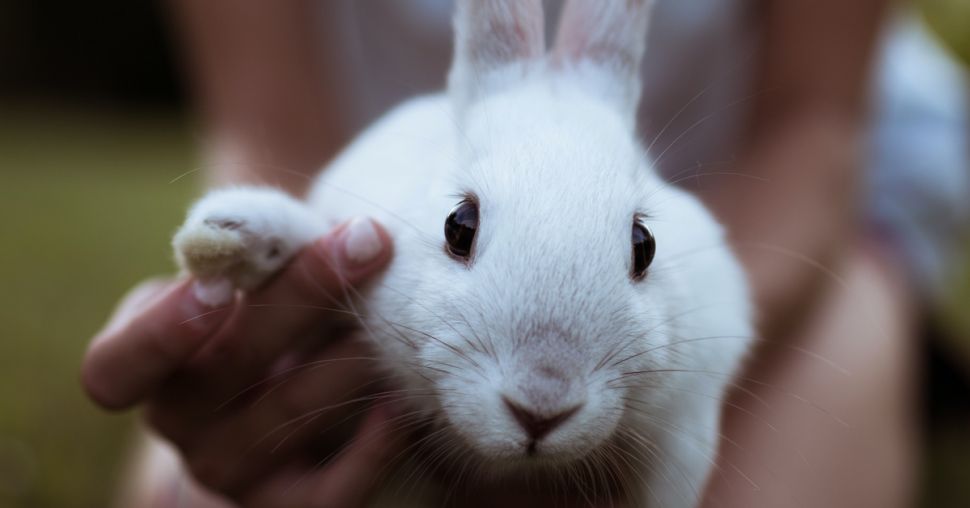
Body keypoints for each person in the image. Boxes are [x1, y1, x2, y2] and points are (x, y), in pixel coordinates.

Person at [82, 0, 969, 506]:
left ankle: (901, 343)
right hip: (425, 154)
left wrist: (667, 401)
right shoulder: (414, 173)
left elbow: (812, 124)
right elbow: (273, 133)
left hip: (775, 191)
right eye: (464, 234)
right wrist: (272, 310)